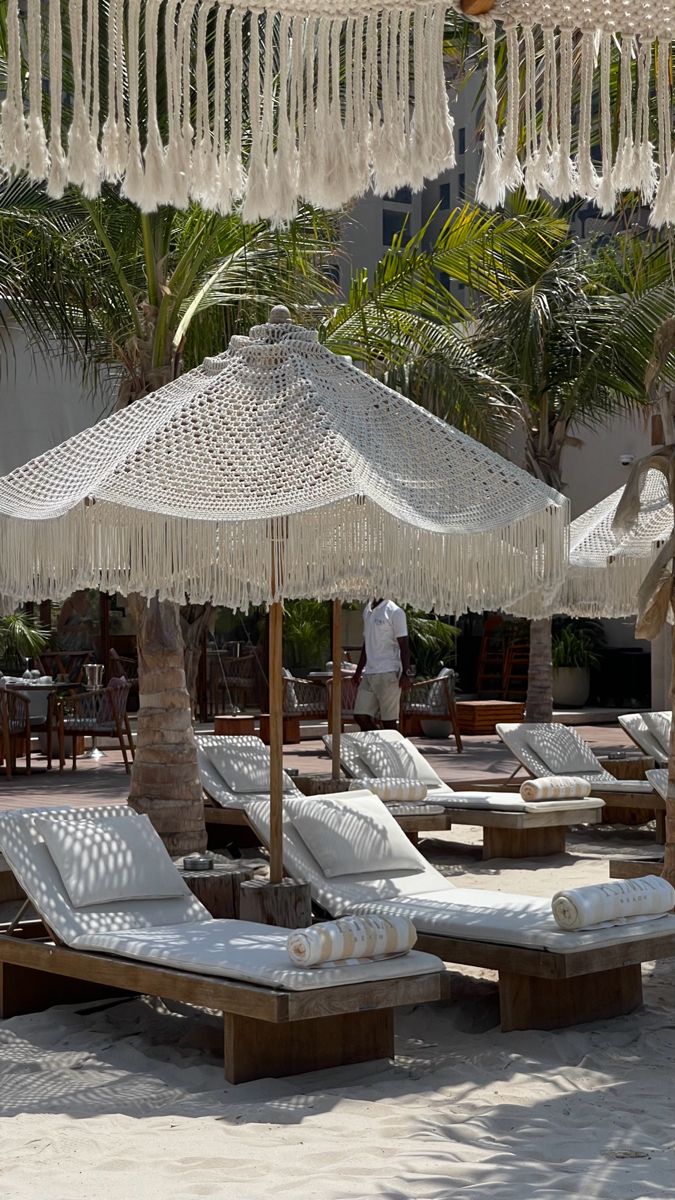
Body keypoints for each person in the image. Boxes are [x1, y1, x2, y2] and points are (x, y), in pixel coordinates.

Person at [352, 598, 413, 731]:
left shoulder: (395, 611)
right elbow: (366, 643)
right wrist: (358, 671)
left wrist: (406, 674)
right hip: (369, 673)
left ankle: (392, 749)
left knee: (389, 722)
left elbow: (404, 644)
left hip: (389, 672)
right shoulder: (367, 609)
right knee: (360, 716)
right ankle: (379, 743)